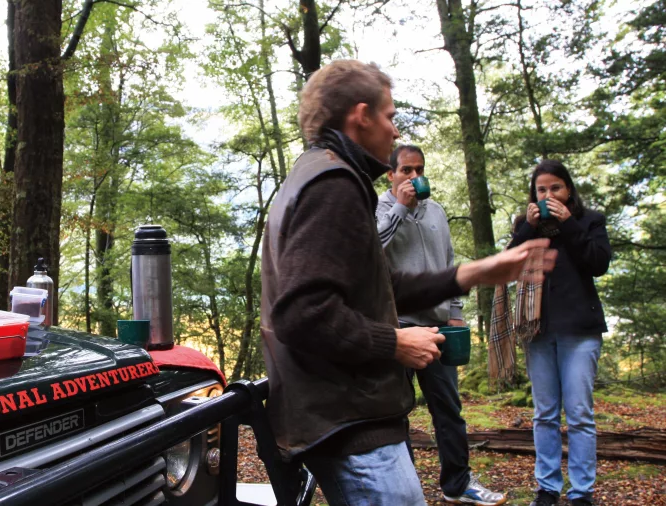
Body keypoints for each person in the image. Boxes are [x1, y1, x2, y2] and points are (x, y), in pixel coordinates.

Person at [259, 59, 556, 506]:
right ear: (361, 115)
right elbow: (301, 313)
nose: (395, 132)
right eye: (390, 116)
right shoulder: (333, 184)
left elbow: (375, 285)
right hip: (346, 417)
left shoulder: (322, 174)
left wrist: (472, 273)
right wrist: (394, 344)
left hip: (344, 410)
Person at [376, 145, 507, 506]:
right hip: (398, 327)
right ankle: (405, 488)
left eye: (419, 170)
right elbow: (373, 253)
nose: (414, 177)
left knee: (448, 408)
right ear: (391, 174)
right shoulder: (379, 209)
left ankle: (457, 483)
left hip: (437, 327)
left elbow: (448, 262)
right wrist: (401, 207)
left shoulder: (437, 211)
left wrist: (456, 311)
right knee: (395, 411)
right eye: (406, 170)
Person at [508, 160, 611, 506]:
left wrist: (568, 224)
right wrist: (527, 230)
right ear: (533, 194)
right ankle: (548, 487)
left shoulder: (589, 221)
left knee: (580, 413)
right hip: (538, 331)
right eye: (541, 189)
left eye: (555, 188)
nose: (548, 194)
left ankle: (581, 491)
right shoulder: (526, 226)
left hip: (581, 330)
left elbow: (598, 263)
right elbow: (508, 266)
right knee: (545, 413)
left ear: (568, 190)